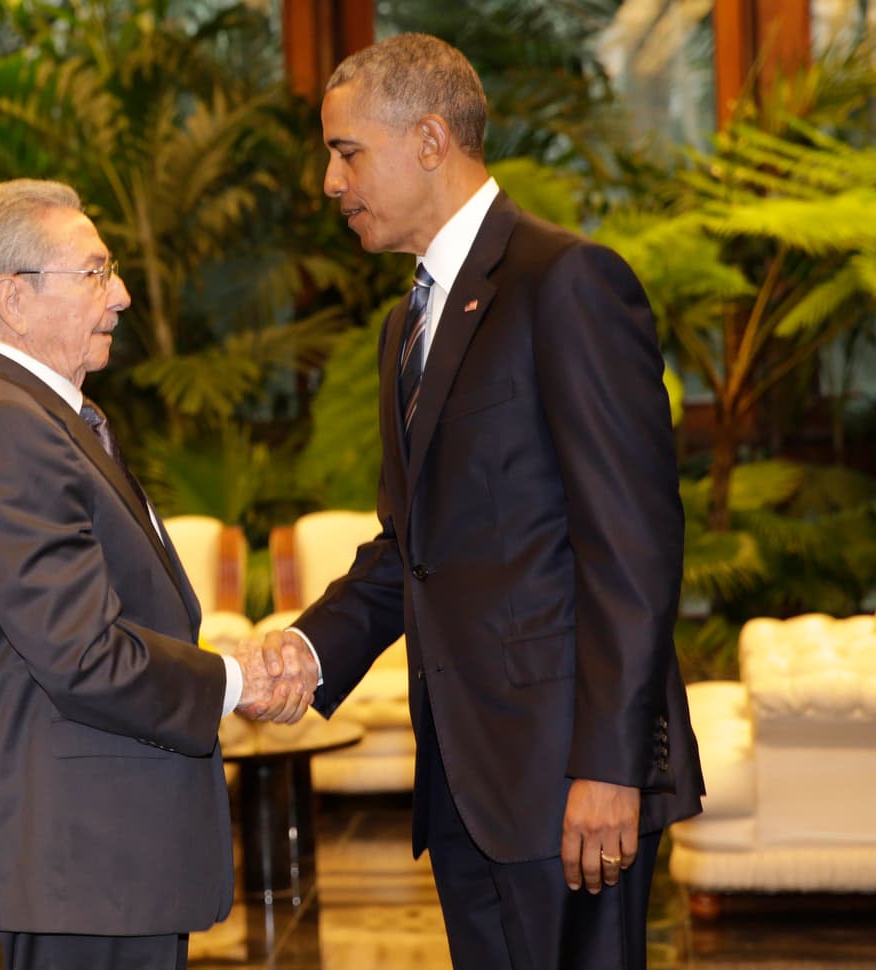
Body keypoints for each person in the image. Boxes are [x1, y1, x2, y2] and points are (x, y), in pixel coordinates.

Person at [256, 33, 704, 969]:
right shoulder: (405, 324)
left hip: (568, 782)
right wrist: (306, 649)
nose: (330, 183)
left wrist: (611, 768)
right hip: (465, 786)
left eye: (345, 153)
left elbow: (633, 548)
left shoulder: (567, 283)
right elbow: (409, 547)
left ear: (429, 139)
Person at [0, 178, 316, 970]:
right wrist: (237, 682)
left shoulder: (33, 413)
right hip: (79, 858)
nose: (121, 296)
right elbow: (83, 654)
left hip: (94, 860)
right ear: (12, 297)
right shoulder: (2, 426)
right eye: (93, 273)